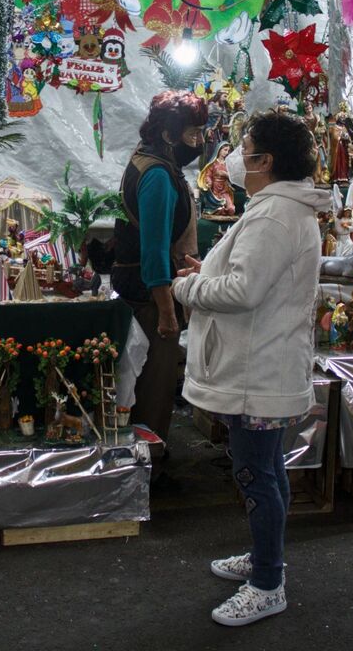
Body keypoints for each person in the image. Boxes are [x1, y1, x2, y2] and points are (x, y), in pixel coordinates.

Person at [172, 108, 330, 626]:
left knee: (255, 475)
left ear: (264, 160)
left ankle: (267, 582)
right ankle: (267, 558)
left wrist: (188, 286)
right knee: (267, 471)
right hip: (261, 365)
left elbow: (243, 290)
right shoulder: (277, 209)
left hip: (255, 372)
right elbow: (250, 273)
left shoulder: (274, 214)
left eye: (243, 147)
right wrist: (211, 268)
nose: (234, 157)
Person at [111, 90, 206, 455]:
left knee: (141, 381)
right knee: (153, 384)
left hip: (141, 291)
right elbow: (154, 251)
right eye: (192, 134)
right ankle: (146, 469)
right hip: (150, 299)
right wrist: (167, 312)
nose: (198, 143)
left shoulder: (145, 160)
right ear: (168, 135)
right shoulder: (158, 177)